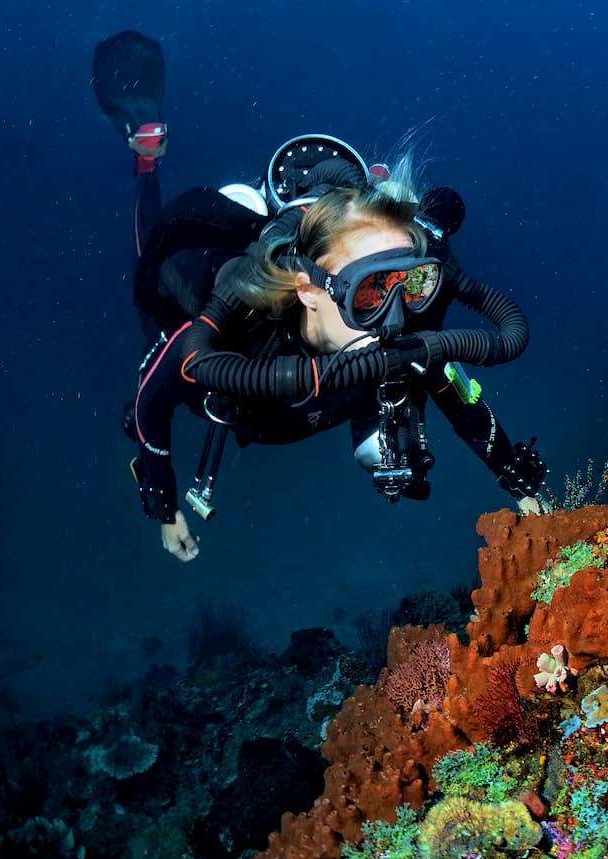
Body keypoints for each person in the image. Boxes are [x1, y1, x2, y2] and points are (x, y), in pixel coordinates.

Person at [93, 32, 551, 563]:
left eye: (410, 283)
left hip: (307, 397)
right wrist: (164, 506)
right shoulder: (239, 327)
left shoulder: (401, 333)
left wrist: (517, 482)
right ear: (309, 290)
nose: (396, 319)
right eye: (370, 290)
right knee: (154, 266)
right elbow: (151, 404)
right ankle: (145, 161)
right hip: (216, 347)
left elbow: (463, 400)